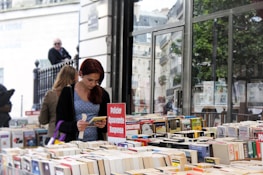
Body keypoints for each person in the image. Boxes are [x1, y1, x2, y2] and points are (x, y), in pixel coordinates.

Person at [56, 58, 110, 142]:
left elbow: (108, 122)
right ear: (80, 74)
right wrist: (75, 126)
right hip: (73, 144)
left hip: (96, 144)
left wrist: (104, 125)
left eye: (96, 81)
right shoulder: (68, 92)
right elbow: (59, 124)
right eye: (90, 80)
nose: (93, 84)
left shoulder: (103, 94)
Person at [38, 65, 78, 144]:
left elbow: (42, 120)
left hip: (53, 137)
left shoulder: (50, 95)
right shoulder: (75, 95)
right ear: (74, 79)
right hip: (69, 137)